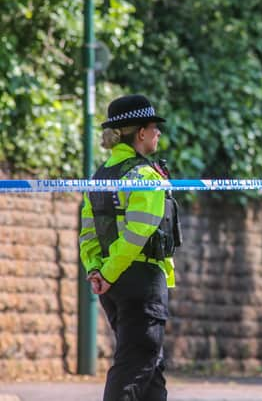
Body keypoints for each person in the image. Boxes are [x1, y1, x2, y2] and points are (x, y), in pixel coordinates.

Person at [79, 94, 182, 401]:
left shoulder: (99, 177)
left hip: (113, 286)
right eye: (154, 127)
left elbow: (88, 233)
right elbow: (139, 232)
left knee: (150, 369)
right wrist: (108, 272)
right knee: (135, 366)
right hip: (141, 281)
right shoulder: (146, 177)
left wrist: (96, 269)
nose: (158, 133)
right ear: (140, 133)